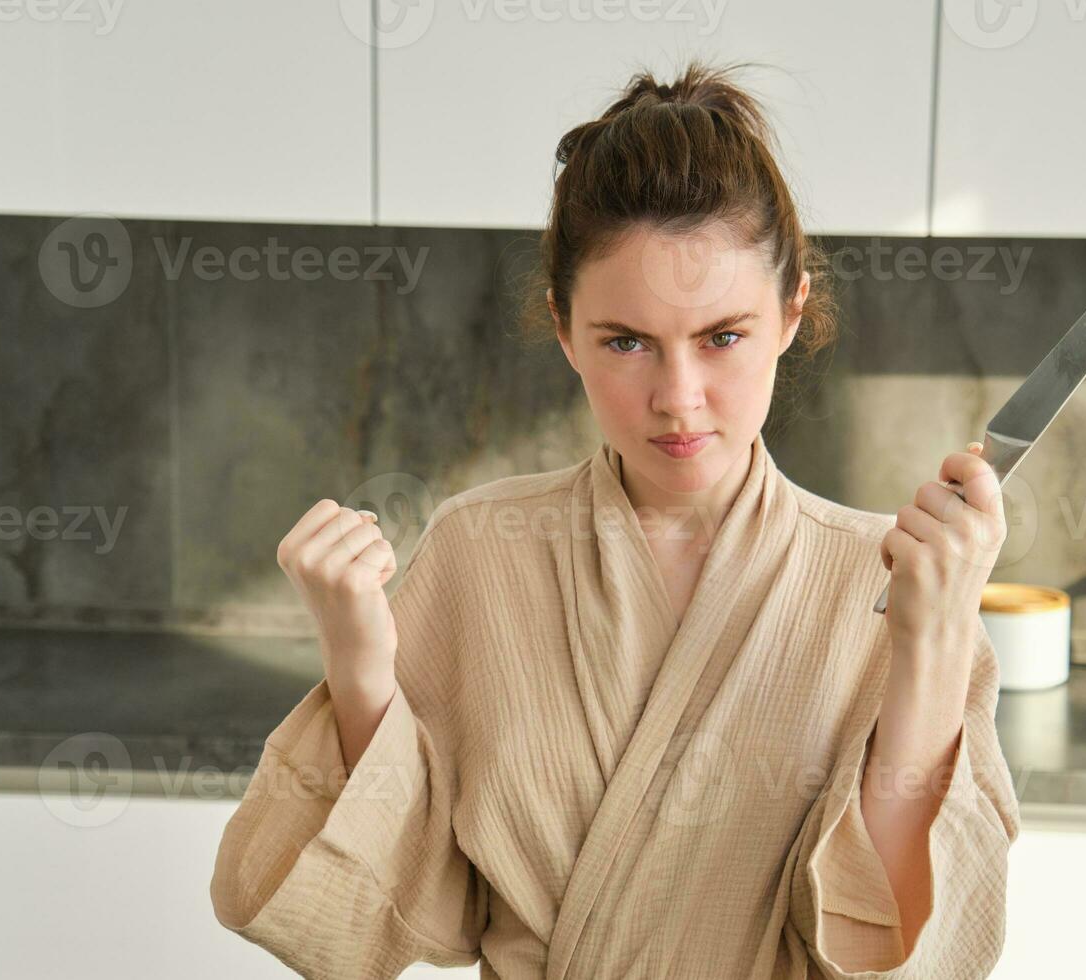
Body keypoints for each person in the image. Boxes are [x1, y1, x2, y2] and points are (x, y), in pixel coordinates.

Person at [210, 63, 1020, 979]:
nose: (678, 399)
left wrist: (936, 639)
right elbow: (398, 904)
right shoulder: (481, 552)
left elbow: (900, 945)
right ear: (564, 329)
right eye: (625, 342)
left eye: (723, 337)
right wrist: (358, 658)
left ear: (791, 314)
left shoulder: (887, 582)